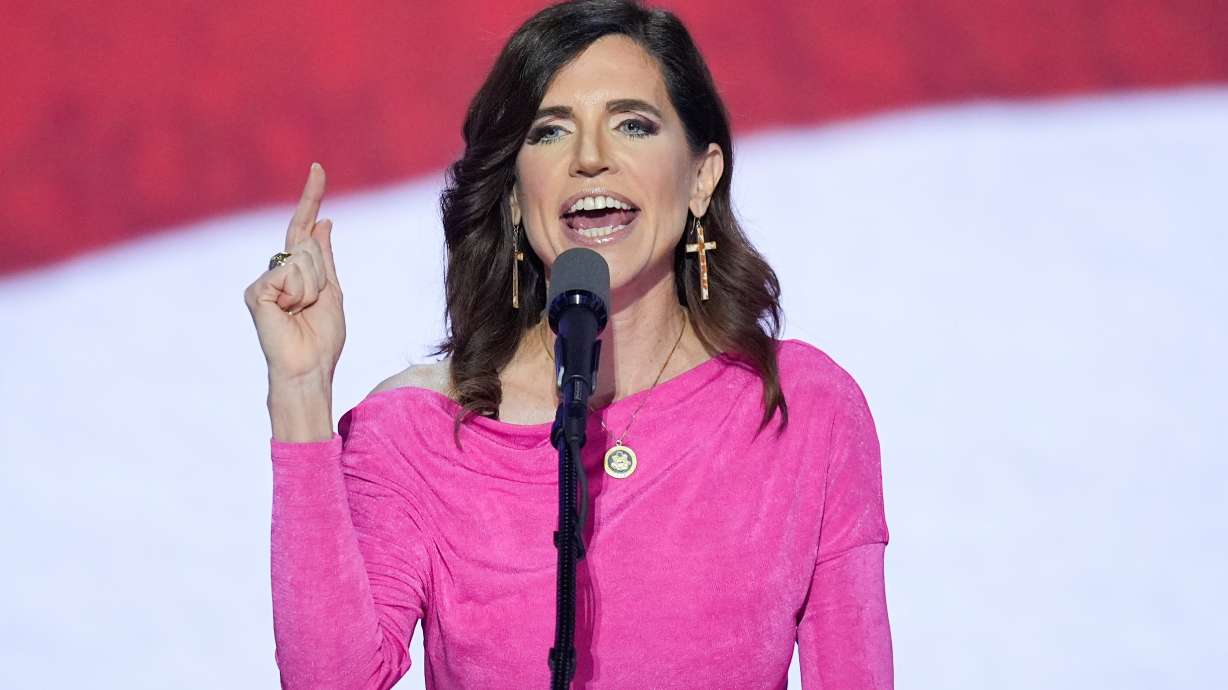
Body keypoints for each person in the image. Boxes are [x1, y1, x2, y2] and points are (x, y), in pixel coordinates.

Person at [243, 1, 892, 687]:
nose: (590, 159)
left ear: (701, 178)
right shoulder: (417, 432)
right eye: (550, 133)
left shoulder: (798, 408)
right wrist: (301, 393)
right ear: (517, 197)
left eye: (633, 125)